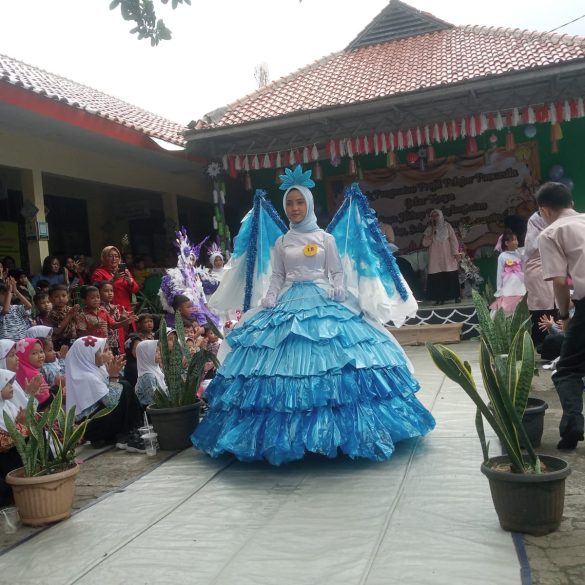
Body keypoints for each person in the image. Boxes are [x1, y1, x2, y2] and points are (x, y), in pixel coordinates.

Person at [192, 169, 435, 465]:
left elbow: (336, 271)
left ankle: (339, 433)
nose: (294, 208)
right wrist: (271, 294)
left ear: (309, 204)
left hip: (324, 299)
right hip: (288, 300)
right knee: (278, 366)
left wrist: (337, 286)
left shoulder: (325, 238)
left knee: (340, 363)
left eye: (300, 202)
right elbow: (278, 275)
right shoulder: (282, 242)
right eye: (289, 203)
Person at [536, 182, 585, 450]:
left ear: (544, 210)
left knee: (566, 370)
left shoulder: (550, 233)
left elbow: (559, 281)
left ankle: (572, 426)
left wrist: (564, 316)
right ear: (571, 203)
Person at [65, 336, 145, 452]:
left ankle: (129, 431)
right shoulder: (86, 377)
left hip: (99, 420)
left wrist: (113, 373)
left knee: (123, 385)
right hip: (92, 427)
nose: (106, 353)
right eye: (102, 351)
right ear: (88, 355)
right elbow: (110, 402)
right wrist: (113, 376)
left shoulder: (95, 369)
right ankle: (130, 433)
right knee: (124, 387)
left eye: (107, 350)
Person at [91, 246, 139, 348]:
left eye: (116, 256)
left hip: (125, 308)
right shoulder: (99, 272)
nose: (114, 259)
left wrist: (130, 281)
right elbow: (96, 290)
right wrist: (113, 279)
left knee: (130, 339)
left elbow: (135, 290)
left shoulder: (125, 271)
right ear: (104, 257)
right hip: (109, 309)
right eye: (110, 256)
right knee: (116, 338)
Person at [523, 212, 557, 349]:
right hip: (537, 273)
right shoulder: (540, 235)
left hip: (550, 271)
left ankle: (552, 338)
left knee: (552, 304)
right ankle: (542, 341)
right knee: (541, 305)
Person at [422, 209, 461, 305]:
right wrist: (432, 232)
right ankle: (439, 299)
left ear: (441, 216)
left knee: (450, 275)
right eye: (433, 216)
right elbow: (425, 243)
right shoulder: (429, 229)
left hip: (447, 256)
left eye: (437, 215)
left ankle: (456, 296)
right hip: (435, 258)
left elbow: (453, 240)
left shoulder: (447, 226)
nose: (435, 217)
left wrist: (455, 253)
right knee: (437, 277)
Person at [0, 368, 26, 506]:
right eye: (6, 384)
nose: (11, 387)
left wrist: (22, 425)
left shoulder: (7, 405)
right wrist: (21, 426)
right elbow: (4, 443)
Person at [490, 229, 526, 316]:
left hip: (519, 283)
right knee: (506, 305)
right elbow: (499, 274)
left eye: (516, 239)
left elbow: (523, 268)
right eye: (514, 240)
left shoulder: (519, 254)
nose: (516, 242)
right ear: (506, 243)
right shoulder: (502, 256)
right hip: (508, 284)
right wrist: (499, 290)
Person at [15, 337, 52, 409]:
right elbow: (45, 400)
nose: (40, 356)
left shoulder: (18, 370)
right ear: (24, 356)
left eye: (41, 351)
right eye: (34, 353)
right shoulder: (34, 375)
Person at [134, 340, 166, 408]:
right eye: (156, 351)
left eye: (159, 350)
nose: (160, 353)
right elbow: (154, 402)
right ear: (146, 355)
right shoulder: (148, 376)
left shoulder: (156, 370)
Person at [47, 284, 78, 351]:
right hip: (60, 341)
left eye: (63, 296)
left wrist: (76, 315)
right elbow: (58, 330)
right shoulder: (52, 313)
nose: (61, 299)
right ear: (50, 299)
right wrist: (69, 315)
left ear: (68, 297)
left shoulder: (70, 309)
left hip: (73, 338)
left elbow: (77, 323)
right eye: (56, 296)